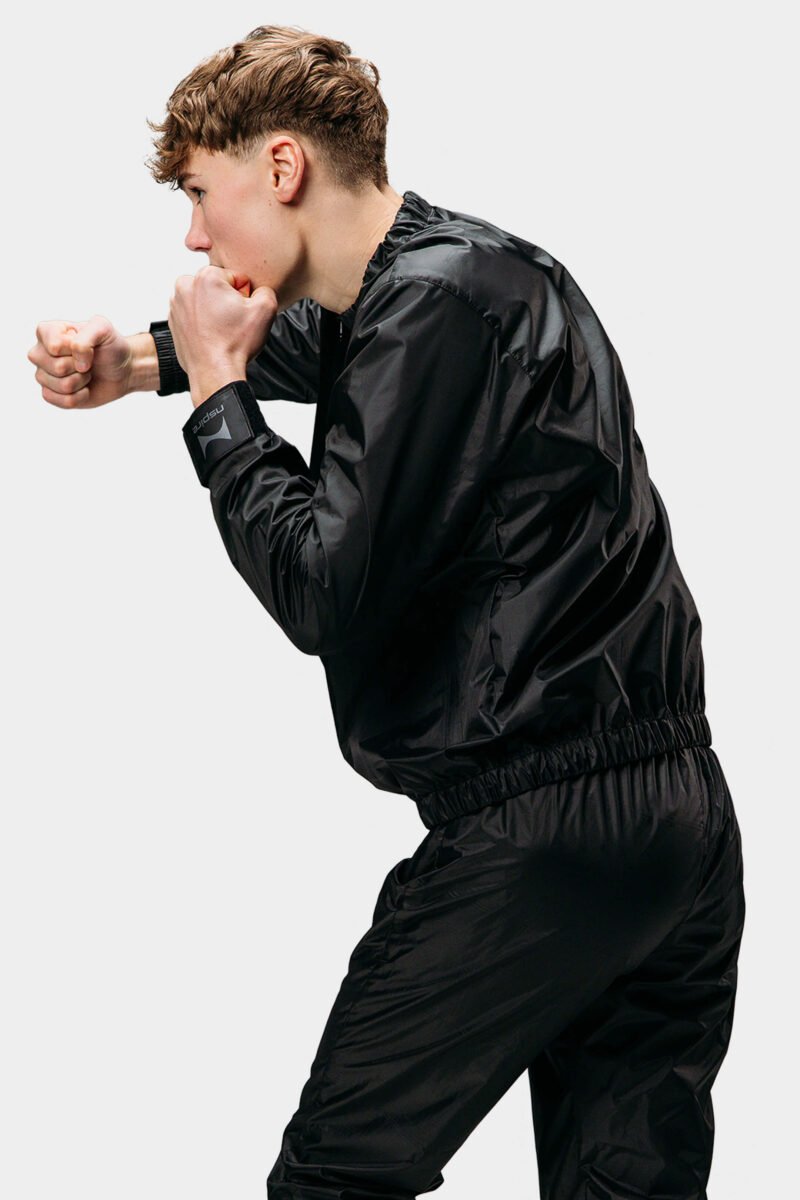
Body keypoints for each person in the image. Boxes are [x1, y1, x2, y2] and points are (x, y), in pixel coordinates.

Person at [27, 23, 746, 1200]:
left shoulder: (424, 309)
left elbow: (321, 588)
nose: (194, 236)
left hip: (542, 834)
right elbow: (336, 345)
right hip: (678, 823)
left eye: (200, 194)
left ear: (281, 167)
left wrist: (215, 397)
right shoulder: (480, 274)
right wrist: (144, 360)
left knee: (335, 1176)